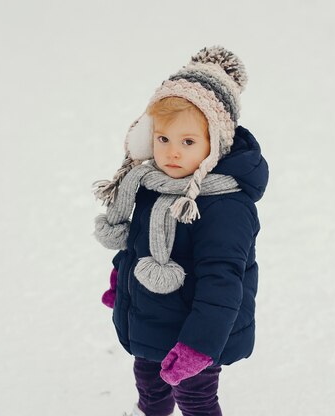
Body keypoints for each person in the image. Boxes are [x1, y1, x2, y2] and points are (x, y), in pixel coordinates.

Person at [93, 46, 268, 416]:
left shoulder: (225, 207)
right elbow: (136, 246)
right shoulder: (151, 184)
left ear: (214, 144)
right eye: (163, 139)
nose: (172, 153)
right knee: (149, 386)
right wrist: (120, 279)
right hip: (151, 322)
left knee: (196, 400)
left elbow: (223, 283)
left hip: (197, 335)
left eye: (188, 142)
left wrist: (198, 347)